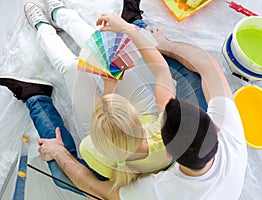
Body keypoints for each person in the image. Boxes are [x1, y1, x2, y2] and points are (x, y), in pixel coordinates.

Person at [32, 11, 248, 200]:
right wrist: (138, 34)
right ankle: (51, 22)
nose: (164, 104)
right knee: (82, 63)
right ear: (216, 127)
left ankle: (52, 21)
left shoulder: (160, 191)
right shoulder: (230, 135)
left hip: (110, 147)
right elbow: (208, 65)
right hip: (121, 142)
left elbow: (100, 191)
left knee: (75, 67)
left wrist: (61, 154)